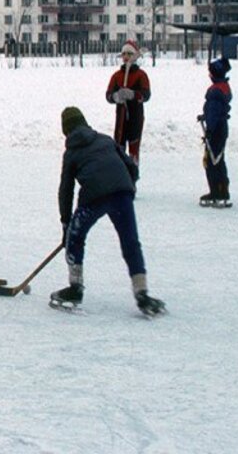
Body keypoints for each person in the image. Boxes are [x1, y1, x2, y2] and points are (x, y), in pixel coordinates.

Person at [50, 107, 164, 316]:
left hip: (94, 196)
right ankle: (142, 293)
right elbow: (132, 167)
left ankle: (75, 288)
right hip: (122, 192)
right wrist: (127, 183)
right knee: (130, 242)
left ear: (65, 130)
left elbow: (65, 190)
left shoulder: (71, 152)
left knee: (75, 237)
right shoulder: (105, 139)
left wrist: (66, 224)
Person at [105, 39, 150, 165]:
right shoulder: (117, 76)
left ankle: (133, 173)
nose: (126, 57)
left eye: (129, 54)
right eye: (124, 54)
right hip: (120, 117)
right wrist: (115, 97)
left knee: (134, 146)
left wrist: (133, 95)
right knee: (119, 146)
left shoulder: (141, 75)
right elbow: (108, 95)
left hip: (136, 117)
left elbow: (146, 95)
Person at [198, 57, 232, 208]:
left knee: (212, 161)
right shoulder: (223, 87)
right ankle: (221, 190)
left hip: (216, 130)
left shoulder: (215, 92)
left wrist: (209, 129)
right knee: (218, 159)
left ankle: (217, 191)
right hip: (222, 127)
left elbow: (214, 112)